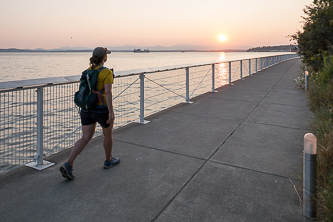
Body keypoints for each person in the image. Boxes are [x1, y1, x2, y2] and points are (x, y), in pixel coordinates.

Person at [60, 47, 120, 180]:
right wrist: (111, 112)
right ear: (105, 57)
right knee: (108, 135)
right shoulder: (106, 72)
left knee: (85, 137)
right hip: (101, 109)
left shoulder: (87, 72)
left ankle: (69, 164)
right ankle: (108, 160)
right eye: (106, 55)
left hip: (87, 109)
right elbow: (108, 93)